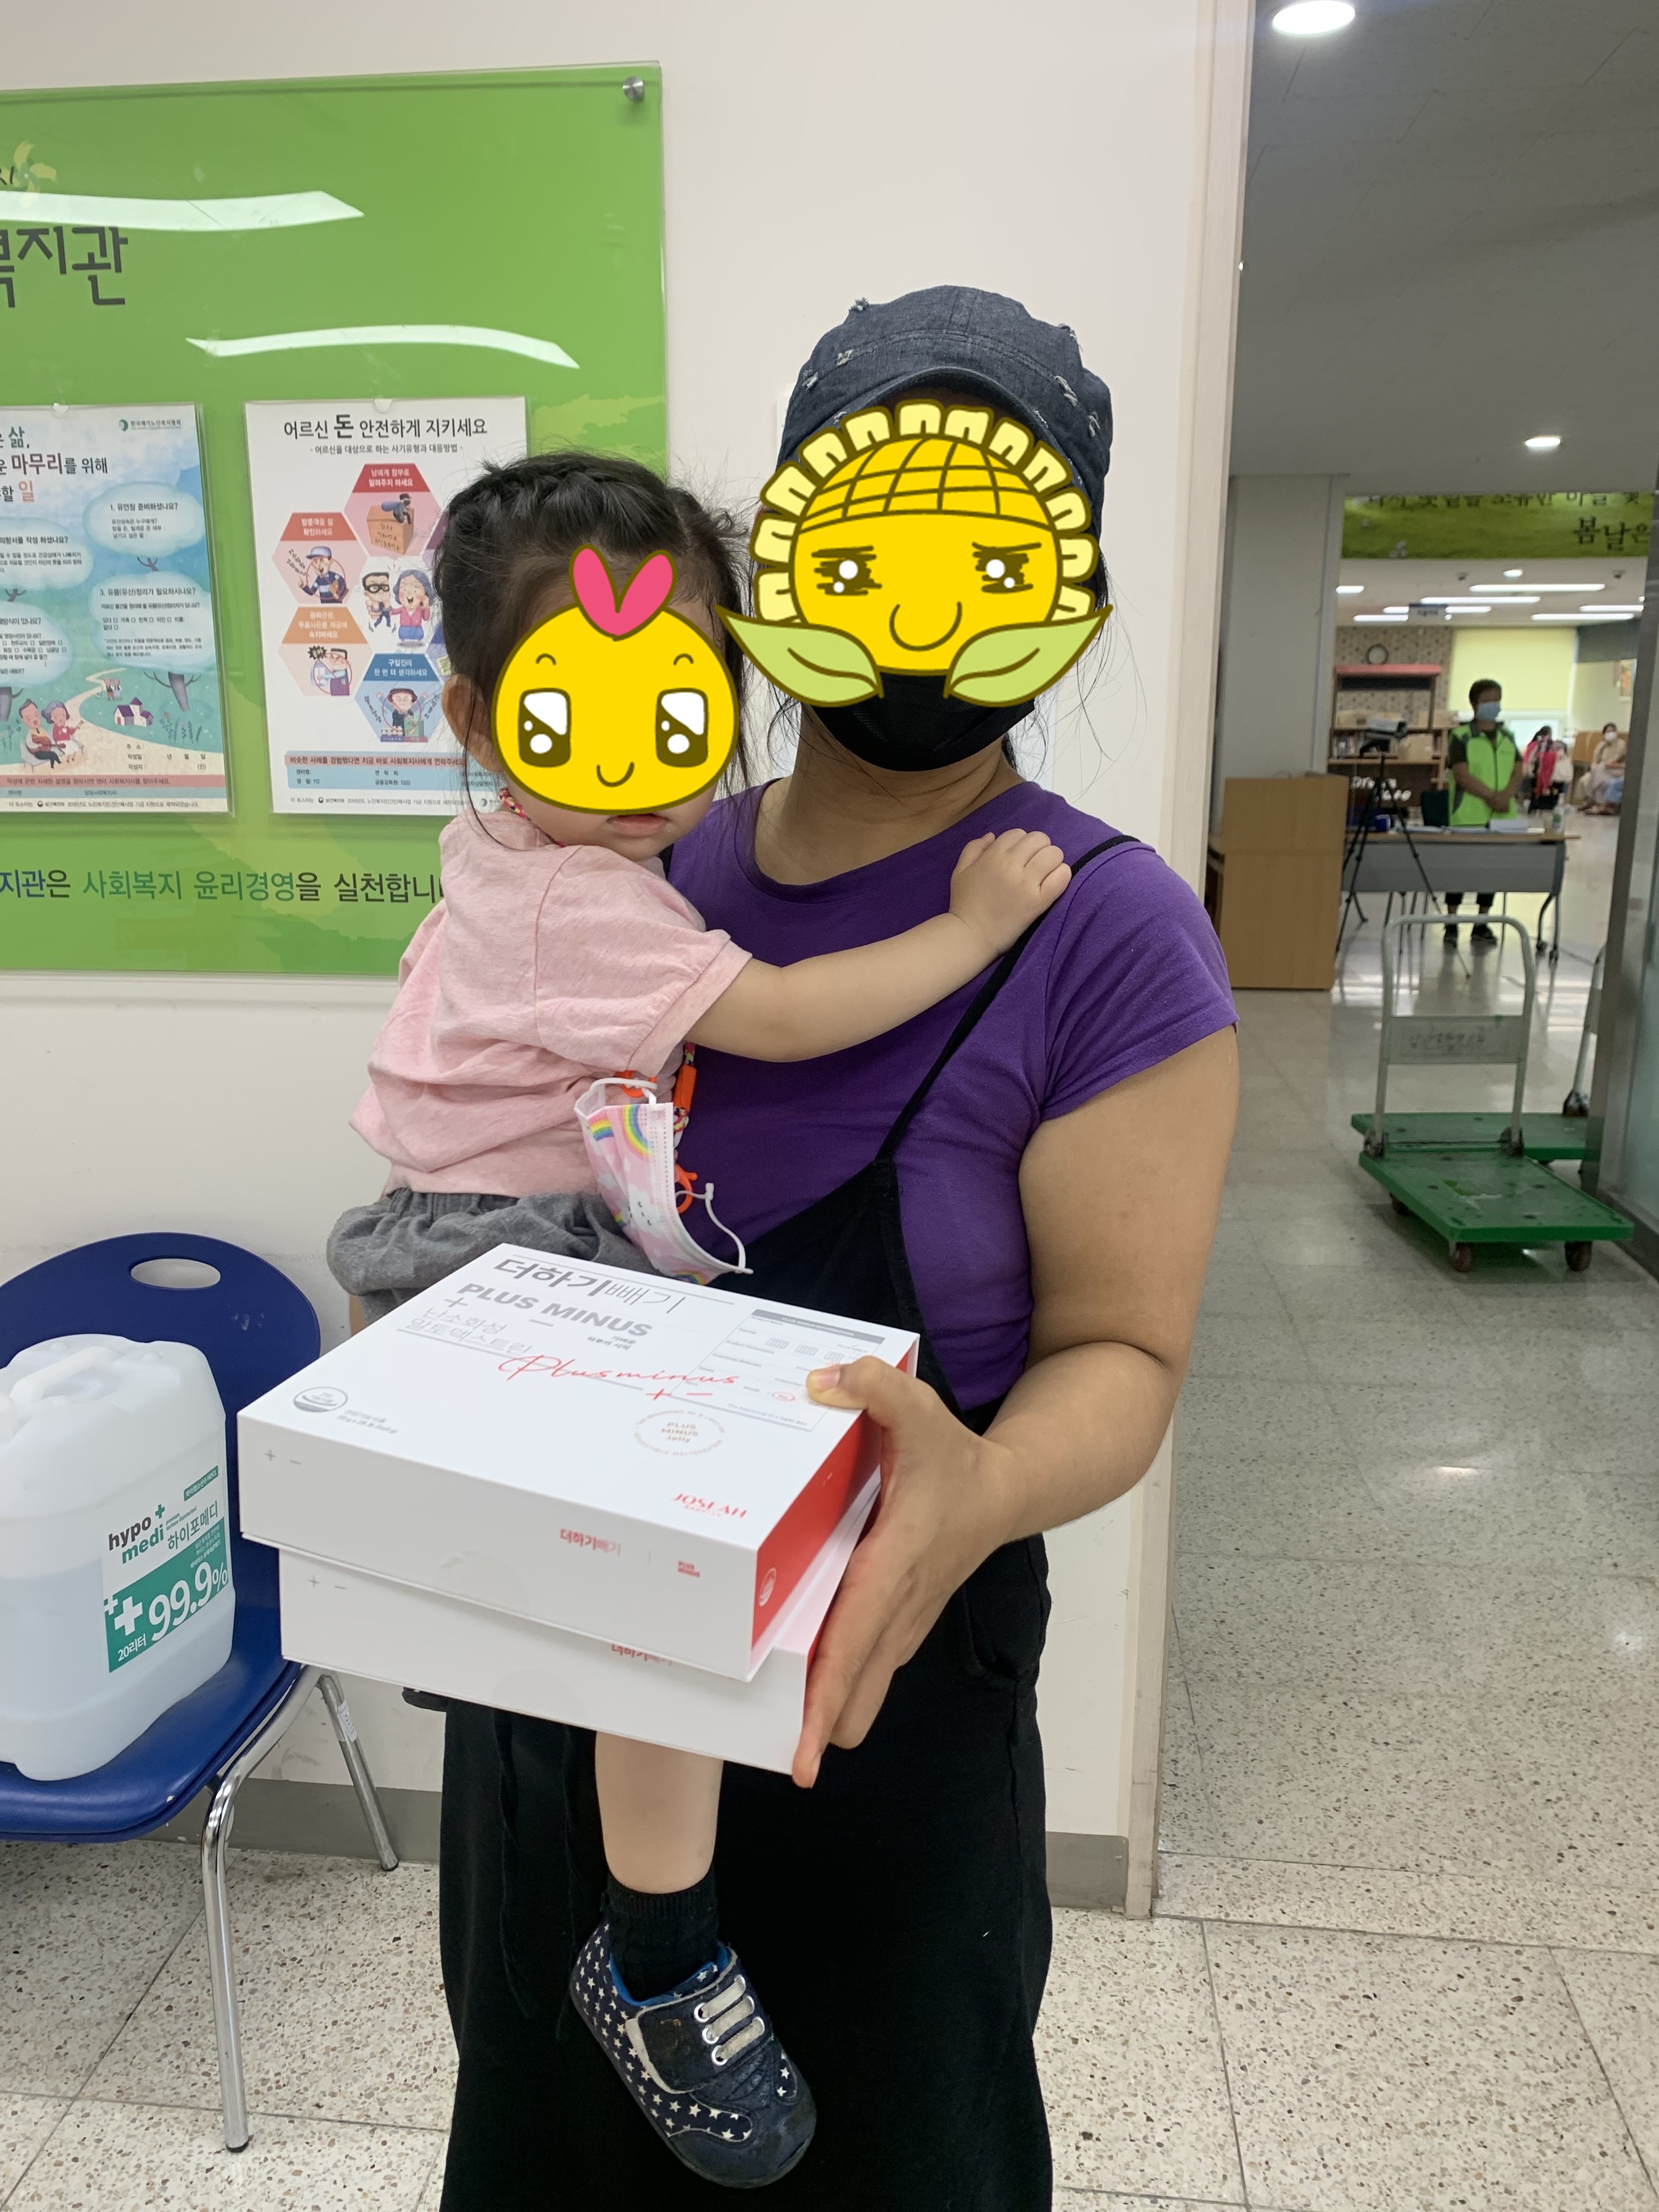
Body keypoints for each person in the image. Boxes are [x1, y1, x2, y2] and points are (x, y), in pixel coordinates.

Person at [418, 289, 1238, 2211]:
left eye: (989, 558)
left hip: (872, 1699)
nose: (918, 612)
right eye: (864, 547)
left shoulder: (1102, 929)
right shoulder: (632, 856)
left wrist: (983, 1487)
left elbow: (1122, 1355)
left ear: (1072, 598)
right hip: (580, 1685)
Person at [326, 447, 1077, 2191]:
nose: (646, 763)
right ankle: (658, 1955)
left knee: (609, 1622)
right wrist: (974, 927)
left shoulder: (505, 841)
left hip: (457, 1242)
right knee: (658, 1621)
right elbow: (794, 1014)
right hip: (513, 1260)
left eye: (678, 713)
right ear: (476, 713)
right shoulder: (584, 898)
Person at [1442, 677, 1522, 945]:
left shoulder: (1508, 737)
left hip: (1502, 817)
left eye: (1497, 700)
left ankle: (1482, 923)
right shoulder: (1461, 737)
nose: (1493, 706)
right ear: (1474, 704)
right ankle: (1451, 923)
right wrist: (1491, 797)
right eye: (1488, 701)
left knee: (1492, 871)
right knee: (1459, 870)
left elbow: (1518, 771)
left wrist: (1506, 796)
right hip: (1468, 815)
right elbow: (1462, 775)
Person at [1583, 721, 1627, 812]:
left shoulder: (1621, 744)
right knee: (1586, 779)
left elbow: (1615, 760)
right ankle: (1591, 802)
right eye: (1608, 732)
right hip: (1602, 769)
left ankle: (1599, 805)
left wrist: (1603, 765)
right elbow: (1595, 759)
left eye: (1612, 731)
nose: (1610, 734)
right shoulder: (1601, 745)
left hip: (1615, 769)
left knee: (1599, 774)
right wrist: (1594, 766)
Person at [1523, 725, 1561, 814]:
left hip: (1535, 771)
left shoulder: (1535, 744)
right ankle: (1545, 806)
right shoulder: (1550, 745)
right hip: (1544, 771)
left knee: (1535, 789)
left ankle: (1535, 805)